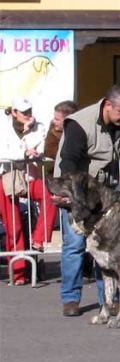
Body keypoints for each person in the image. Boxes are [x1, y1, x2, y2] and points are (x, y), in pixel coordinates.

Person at [55, 83, 120, 317]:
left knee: (105, 246)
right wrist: (73, 196)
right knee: (75, 245)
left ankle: (107, 300)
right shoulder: (79, 124)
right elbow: (69, 161)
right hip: (77, 189)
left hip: (104, 193)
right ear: (108, 105)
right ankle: (71, 298)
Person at [0, 97, 57, 285]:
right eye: (23, 112)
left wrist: (28, 131)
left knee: (50, 195)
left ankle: (38, 239)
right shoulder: (3, 126)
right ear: (14, 112)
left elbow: (39, 148)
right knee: (13, 225)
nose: (28, 115)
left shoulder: (38, 126)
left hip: (29, 177)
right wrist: (23, 152)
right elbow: (4, 152)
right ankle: (18, 274)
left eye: (29, 111)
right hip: (7, 179)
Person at [44, 100, 78, 178]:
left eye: (57, 119)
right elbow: (49, 150)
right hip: (59, 174)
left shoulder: (83, 129)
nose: (53, 121)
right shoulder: (54, 128)